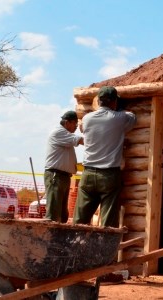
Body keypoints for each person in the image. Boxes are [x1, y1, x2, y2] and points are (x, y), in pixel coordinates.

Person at [73, 86, 136, 228]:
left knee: (79, 221)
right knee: (108, 224)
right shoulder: (119, 118)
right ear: (114, 102)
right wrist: (120, 110)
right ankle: (105, 249)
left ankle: (74, 246)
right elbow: (132, 117)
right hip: (109, 175)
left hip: (88, 174)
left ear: (99, 101)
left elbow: (83, 128)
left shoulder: (87, 118)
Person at [43, 110, 83, 222]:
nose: (76, 127)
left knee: (62, 213)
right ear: (67, 122)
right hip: (56, 176)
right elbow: (80, 140)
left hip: (63, 176)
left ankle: (59, 237)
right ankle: (50, 237)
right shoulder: (59, 133)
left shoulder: (66, 136)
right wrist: (99, 140)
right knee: (53, 213)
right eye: (75, 123)